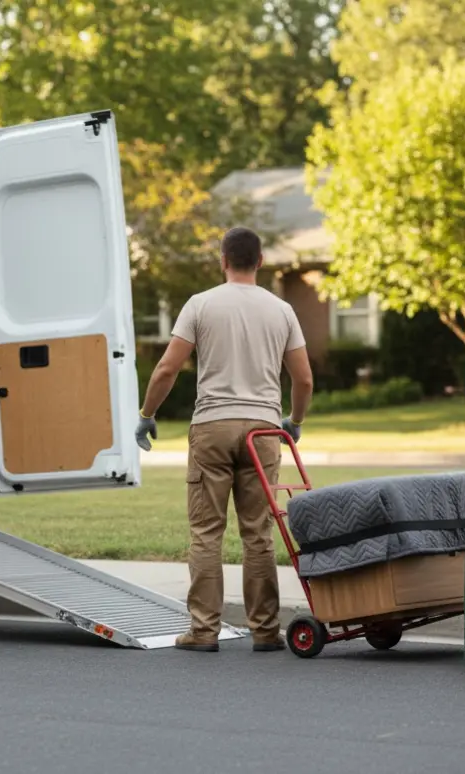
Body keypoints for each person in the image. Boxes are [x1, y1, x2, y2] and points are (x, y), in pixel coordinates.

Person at [135, 227, 314, 652]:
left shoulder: (200, 304)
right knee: (258, 533)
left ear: (223, 261)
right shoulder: (282, 310)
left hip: (212, 427)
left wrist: (147, 415)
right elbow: (304, 378)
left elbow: (166, 369)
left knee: (206, 532)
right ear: (261, 261)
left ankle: (203, 631)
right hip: (263, 430)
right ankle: (265, 631)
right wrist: (295, 421)